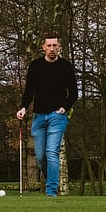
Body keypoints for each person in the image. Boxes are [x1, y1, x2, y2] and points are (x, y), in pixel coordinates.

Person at [16, 34, 78, 197]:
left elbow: (74, 93)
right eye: (49, 46)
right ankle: (50, 177)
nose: (52, 49)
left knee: (52, 152)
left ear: (59, 48)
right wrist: (23, 108)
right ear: (43, 47)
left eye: (54, 46)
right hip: (39, 116)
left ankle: (51, 191)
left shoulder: (65, 66)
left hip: (57, 116)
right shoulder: (36, 66)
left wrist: (64, 108)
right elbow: (29, 90)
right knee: (41, 157)